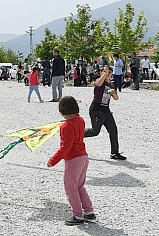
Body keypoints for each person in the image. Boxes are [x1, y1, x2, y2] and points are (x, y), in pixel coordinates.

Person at [47, 96, 96, 226]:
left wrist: (53, 160)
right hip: (83, 157)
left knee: (71, 188)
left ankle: (77, 215)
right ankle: (89, 212)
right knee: (80, 186)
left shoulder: (66, 127)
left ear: (61, 110)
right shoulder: (80, 120)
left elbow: (66, 147)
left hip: (73, 160)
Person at [83, 65, 126, 160]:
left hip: (106, 110)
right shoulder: (99, 80)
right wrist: (105, 73)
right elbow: (98, 84)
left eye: (110, 72)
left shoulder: (111, 84)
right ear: (101, 73)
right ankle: (76, 135)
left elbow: (116, 98)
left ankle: (114, 152)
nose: (108, 74)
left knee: (113, 130)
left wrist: (114, 93)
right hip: (96, 109)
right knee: (95, 131)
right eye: (105, 72)